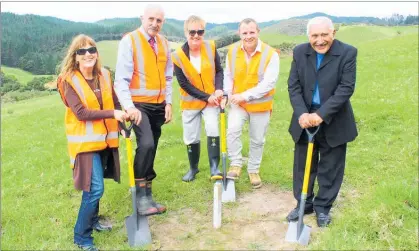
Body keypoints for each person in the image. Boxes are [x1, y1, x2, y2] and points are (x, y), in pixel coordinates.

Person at [57, 34, 127, 251]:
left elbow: (114, 102)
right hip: (84, 144)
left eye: (91, 50)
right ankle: (81, 236)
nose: (88, 54)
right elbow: (81, 112)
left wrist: (123, 126)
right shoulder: (68, 80)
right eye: (82, 51)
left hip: (104, 140)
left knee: (96, 187)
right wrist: (113, 114)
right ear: (75, 57)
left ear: (96, 53)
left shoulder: (104, 74)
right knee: (95, 189)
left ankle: (94, 220)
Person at [286, 16, 358, 227]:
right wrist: (302, 114)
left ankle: (323, 207)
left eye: (324, 35)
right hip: (304, 118)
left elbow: (346, 88)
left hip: (333, 117)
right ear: (309, 36)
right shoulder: (300, 52)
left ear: (333, 33)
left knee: (331, 165)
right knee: (302, 165)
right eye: (315, 36)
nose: (320, 40)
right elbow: (294, 86)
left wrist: (321, 115)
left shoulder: (347, 53)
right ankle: (304, 203)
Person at [114, 4, 173, 216]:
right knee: (146, 144)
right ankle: (140, 199)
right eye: (151, 19)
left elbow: (168, 76)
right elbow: (120, 79)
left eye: (159, 20)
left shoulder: (164, 43)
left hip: (159, 105)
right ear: (142, 18)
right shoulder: (129, 41)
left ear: (162, 22)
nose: (154, 24)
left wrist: (169, 103)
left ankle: (148, 195)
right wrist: (129, 107)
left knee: (152, 147)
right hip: (139, 106)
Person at [222, 18, 280, 189]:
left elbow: (268, 83)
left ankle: (253, 169)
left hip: (260, 106)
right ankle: (236, 163)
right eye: (244, 33)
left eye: (251, 32)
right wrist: (227, 94)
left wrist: (244, 96)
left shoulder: (271, 54)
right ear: (239, 34)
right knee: (232, 131)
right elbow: (228, 75)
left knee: (257, 140)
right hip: (238, 105)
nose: (248, 36)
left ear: (258, 32)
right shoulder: (232, 52)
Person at [172, 15, 224, 182]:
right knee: (191, 137)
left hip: (211, 102)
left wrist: (218, 89)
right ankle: (193, 168)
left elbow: (219, 71)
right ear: (186, 32)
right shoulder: (178, 56)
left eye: (200, 31)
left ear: (204, 32)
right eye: (192, 32)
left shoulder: (211, 47)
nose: (196, 35)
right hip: (190, 103)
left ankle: (214, 167)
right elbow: (184, 84)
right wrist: (206, 96)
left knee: (213, 129)